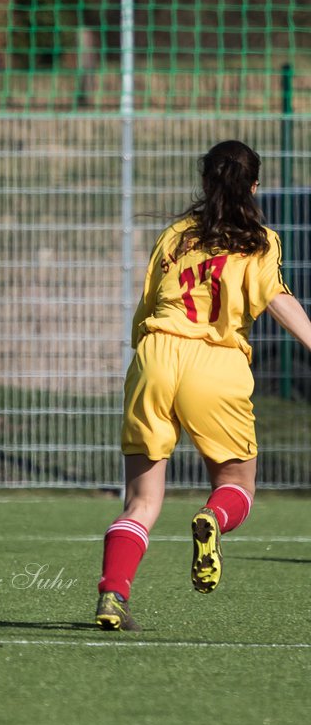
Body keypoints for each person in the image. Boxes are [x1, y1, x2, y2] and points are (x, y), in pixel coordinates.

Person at [95, 139, 311, 631]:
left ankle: (112, 593)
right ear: (254, 187)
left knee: (142, 501)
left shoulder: (175, 235)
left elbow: (148, 306)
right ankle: (214, 517)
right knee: (236, 485)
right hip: (215, 361)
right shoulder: (260, 239)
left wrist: (147, 362)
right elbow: (275, 297)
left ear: (204, 182)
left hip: (155, 357)